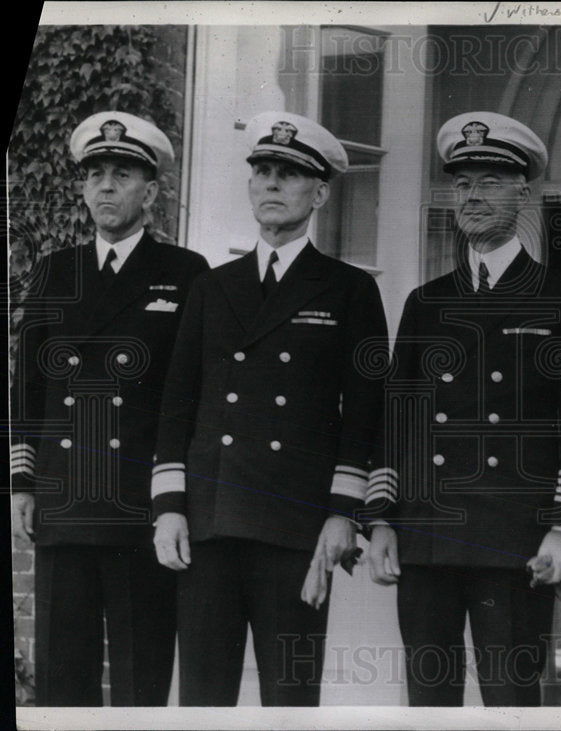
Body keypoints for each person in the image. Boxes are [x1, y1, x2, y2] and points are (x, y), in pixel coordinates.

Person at [149, 111, 388, 706]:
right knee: (204, 697)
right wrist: (170, 508)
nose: (272, 185)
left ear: (321, 193)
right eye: (262, 172)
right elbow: (178, 403)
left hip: (295, 525)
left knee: (289, 697)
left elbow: (365, 414)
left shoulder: (350, 290)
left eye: (288, 173)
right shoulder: (213, 284)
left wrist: (343, 514)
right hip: (210, 519)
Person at [362, 112, 561, 706]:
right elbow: (399, 416)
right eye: (462, 184)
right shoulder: (426, 301)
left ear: (524, 191)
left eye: (490, 181)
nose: (471, 196)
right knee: (429, 700)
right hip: (427, 532)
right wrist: (383, 518)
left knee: (510, 700)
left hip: (515, 538)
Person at [10, 111, 209, 705]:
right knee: (62, 676)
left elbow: (189, 396)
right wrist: (22, 481)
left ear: (150, 192)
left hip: (138, 505)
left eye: (121, 175)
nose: (104, 186)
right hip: (65, 499)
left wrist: (176, 498)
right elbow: (27, 386)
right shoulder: (55, 272)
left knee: (140, 675)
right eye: (94, 174)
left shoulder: (185, 273)